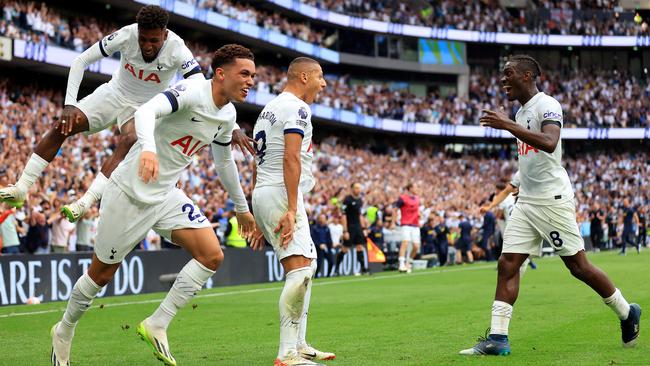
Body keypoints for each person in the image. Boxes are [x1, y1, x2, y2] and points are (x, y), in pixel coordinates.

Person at [50, 44, 257, 366]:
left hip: (165, 195)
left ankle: (157, 323)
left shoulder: (227, 114)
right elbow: (145, 112)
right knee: (100, 276)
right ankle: (64, 329)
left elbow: (224, 163)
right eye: (245, 73)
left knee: (211, 254)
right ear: (221, 73)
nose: (250, 81)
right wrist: (147, 149)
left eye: (253, 76)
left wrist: (242, 208)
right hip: (129, 193)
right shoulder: (190, 90)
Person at [0, 5, 253, 221]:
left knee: (130, 139)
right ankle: (22, 187)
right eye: (144, 39)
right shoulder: (125, 35)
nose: (147, 45)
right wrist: (69, 104)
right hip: (113, 94)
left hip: (146, 107)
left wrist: (233, 127)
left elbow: (203, 87)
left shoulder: (178, 48)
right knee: (62, 126)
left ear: (165, 35)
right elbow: (80, 61)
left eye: (154, 40)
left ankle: (86, 202)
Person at [460, 55, 640, 356]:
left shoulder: (548, 105)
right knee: (507, 265)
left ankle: (626, 312)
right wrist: (518, 182)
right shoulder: (520, 113)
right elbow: (531, 157)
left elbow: (549, 142)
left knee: (578, 267)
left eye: (509, 74)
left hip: (553, 201)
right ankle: (498, 338)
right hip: (528, 201)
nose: (504, 80)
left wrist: (506, 125)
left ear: (528, 75)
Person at [249, 57, 334, 365]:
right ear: (303, 76)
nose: (323, 84)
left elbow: (261, 160)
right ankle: (287, 354)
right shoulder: (298, 108)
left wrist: (259, 210)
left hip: (267, 192)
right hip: (282, 195)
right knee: (299, 272)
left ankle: (299, 344)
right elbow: (290, 158)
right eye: (319, 77)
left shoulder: (269, 109)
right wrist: (291, 207)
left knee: (307, 266)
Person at [335, 182, 369, 275]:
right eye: (356, 188)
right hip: (350, 227)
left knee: (360, 246)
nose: (358, 189)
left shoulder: (360, 200)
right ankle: (336, 269)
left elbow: (360, 215)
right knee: (345, 248)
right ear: (352, 189)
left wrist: (364, 228)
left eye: (359, 188)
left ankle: (363, 269)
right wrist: (345, 230)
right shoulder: (347, 200)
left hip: (358, 227)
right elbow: (343, 216)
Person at [396, 183, 421, 272]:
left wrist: (419, 218)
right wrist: (393, 221)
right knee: (405, 242)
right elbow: (395, 209)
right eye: (415, 187)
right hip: (405, 223)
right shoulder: (403, 198)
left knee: (416, 246)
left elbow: (417, 211)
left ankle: (408, 262)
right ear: (410, 188)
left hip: (415, 225)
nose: (417, 188)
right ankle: (401, 264)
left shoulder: (418, 199)